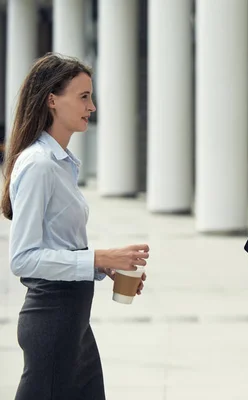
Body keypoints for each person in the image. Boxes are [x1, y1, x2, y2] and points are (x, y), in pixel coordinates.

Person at [2, 53, 150, 400]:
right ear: (52, 100)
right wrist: (98, 259)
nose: (92, 106)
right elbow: (23, 259)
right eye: (84, 96)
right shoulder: (39, 164)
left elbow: (58, 244)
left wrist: (105, 268)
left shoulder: (61, 164)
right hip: (52, 319)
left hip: (72, 321)